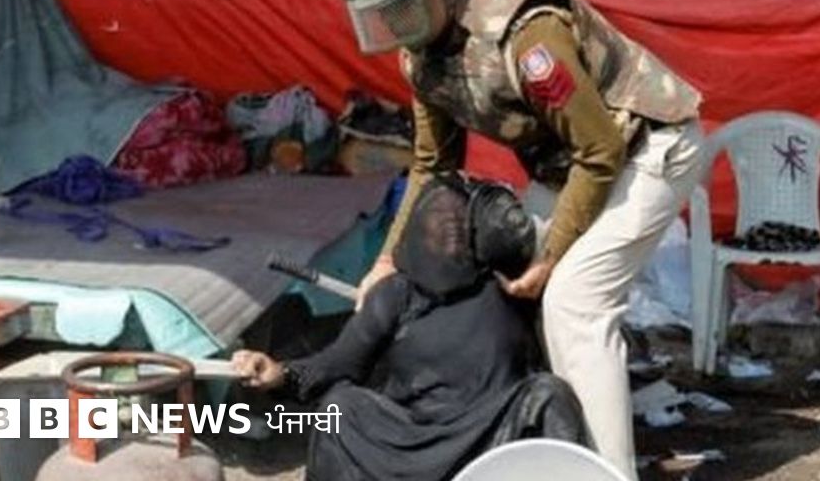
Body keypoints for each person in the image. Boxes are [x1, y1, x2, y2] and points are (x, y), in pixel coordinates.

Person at [343, 0, 705, 479]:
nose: (395, 22)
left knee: (575, 304)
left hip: (648, 147)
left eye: (404, 4)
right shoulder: (422, 51)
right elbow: (432, 166)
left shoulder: (527, 33)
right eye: (384, 10)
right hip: (572, 167)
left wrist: (553, 255)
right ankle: (536, 444)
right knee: (500, 279)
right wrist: (386, 263)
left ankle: (604, 474)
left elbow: (601, 149)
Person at [233, 177, 587, 481]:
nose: (448, 237)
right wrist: (280, 374)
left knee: (549, 393)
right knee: (341, 407)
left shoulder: (509, 284)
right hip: (411, 439)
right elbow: (336, 364)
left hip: (490, 439)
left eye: (455, 228)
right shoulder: (396, 293)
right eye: (437, 229)